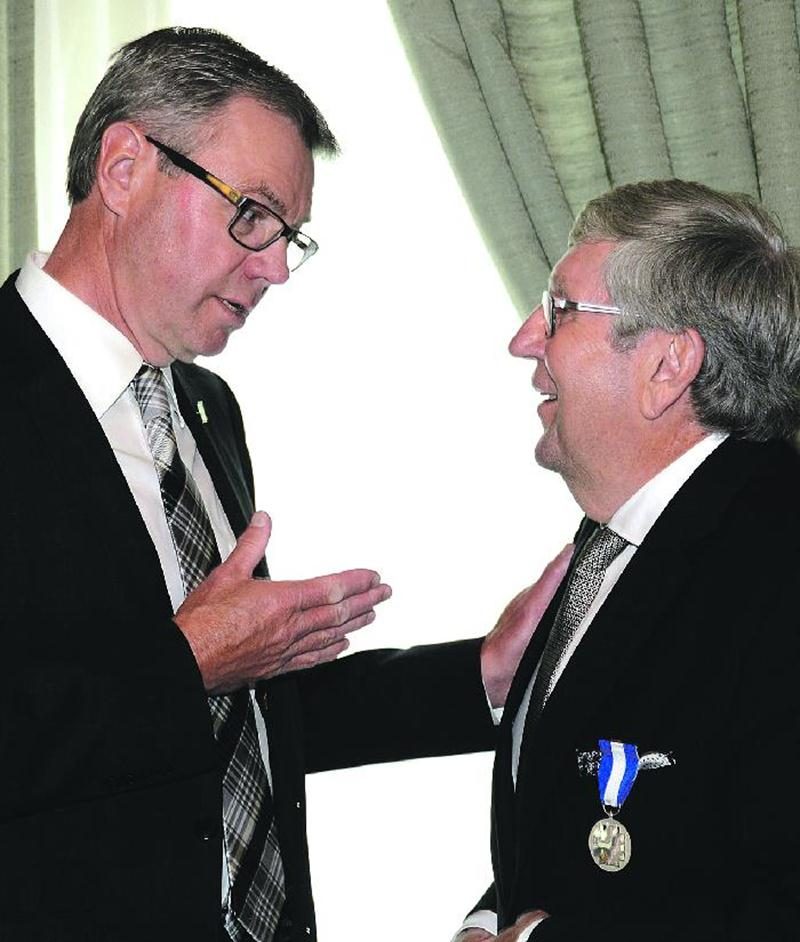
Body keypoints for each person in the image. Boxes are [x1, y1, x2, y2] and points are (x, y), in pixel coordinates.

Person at [0, 27, 568, 942]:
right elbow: (168, 685)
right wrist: (185, 663)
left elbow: (248, 716)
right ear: (123, 168)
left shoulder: (205, 410)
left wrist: (481, 674)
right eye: (251, 213)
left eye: (287, 236)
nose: (271, 266)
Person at [456, 179, 800, 941]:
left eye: (560, 310)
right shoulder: (618, 535)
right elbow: (598, 816)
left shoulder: (779, 564)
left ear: (668, 366)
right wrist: (490, 920)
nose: (524, 339)